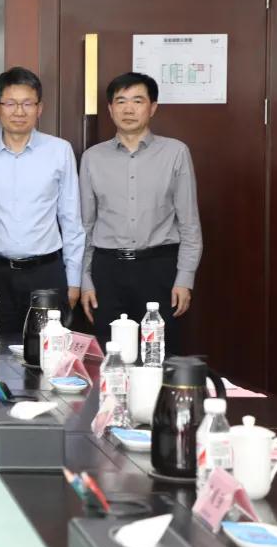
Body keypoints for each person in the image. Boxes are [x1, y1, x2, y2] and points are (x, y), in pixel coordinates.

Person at [79, 72, 201, 353]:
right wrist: (85, 280)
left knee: (158, 355)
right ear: (110, 108)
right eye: (120, 101)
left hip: (158, 269)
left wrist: (184, 279)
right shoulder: (92, 158)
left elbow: (190, 225)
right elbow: (85, 225)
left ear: (153, 107)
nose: (128, 109)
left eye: (137, 101)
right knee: (109, 356)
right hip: (107, 271)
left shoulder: (175, 153)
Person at [0, 67, 84, 336]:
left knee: (47, 351)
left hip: (46, 273)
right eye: (11, 103)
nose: (19, 111)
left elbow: (71, 219)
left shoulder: (59, 151)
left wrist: (74, 280)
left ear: (39, 108)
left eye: (28, 103)